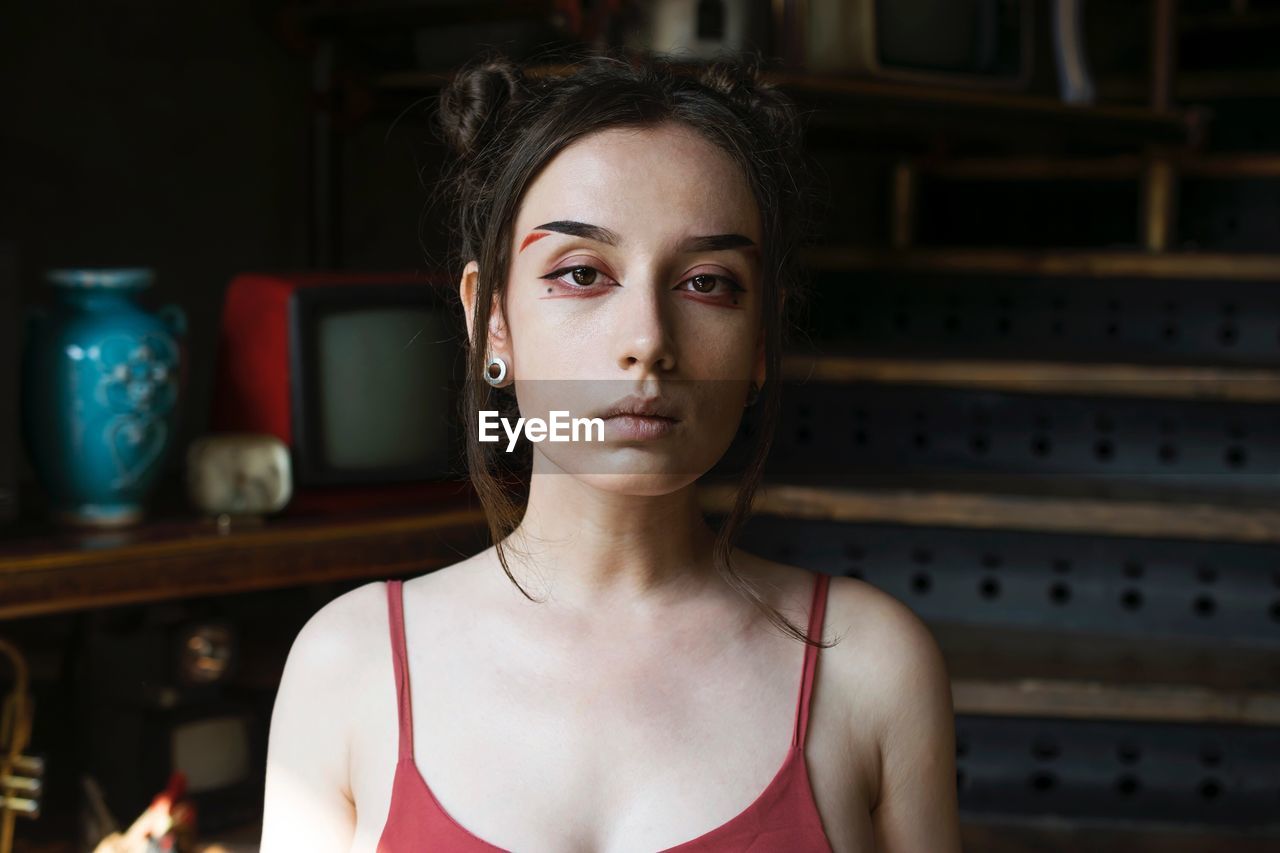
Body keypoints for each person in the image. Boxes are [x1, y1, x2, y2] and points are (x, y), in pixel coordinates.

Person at [260, 48, 962, 853]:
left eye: (707, 282)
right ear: (491, 321)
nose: (647, 342)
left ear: (763, 340)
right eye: (583, 272)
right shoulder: (349, 665)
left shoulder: (868, 667)